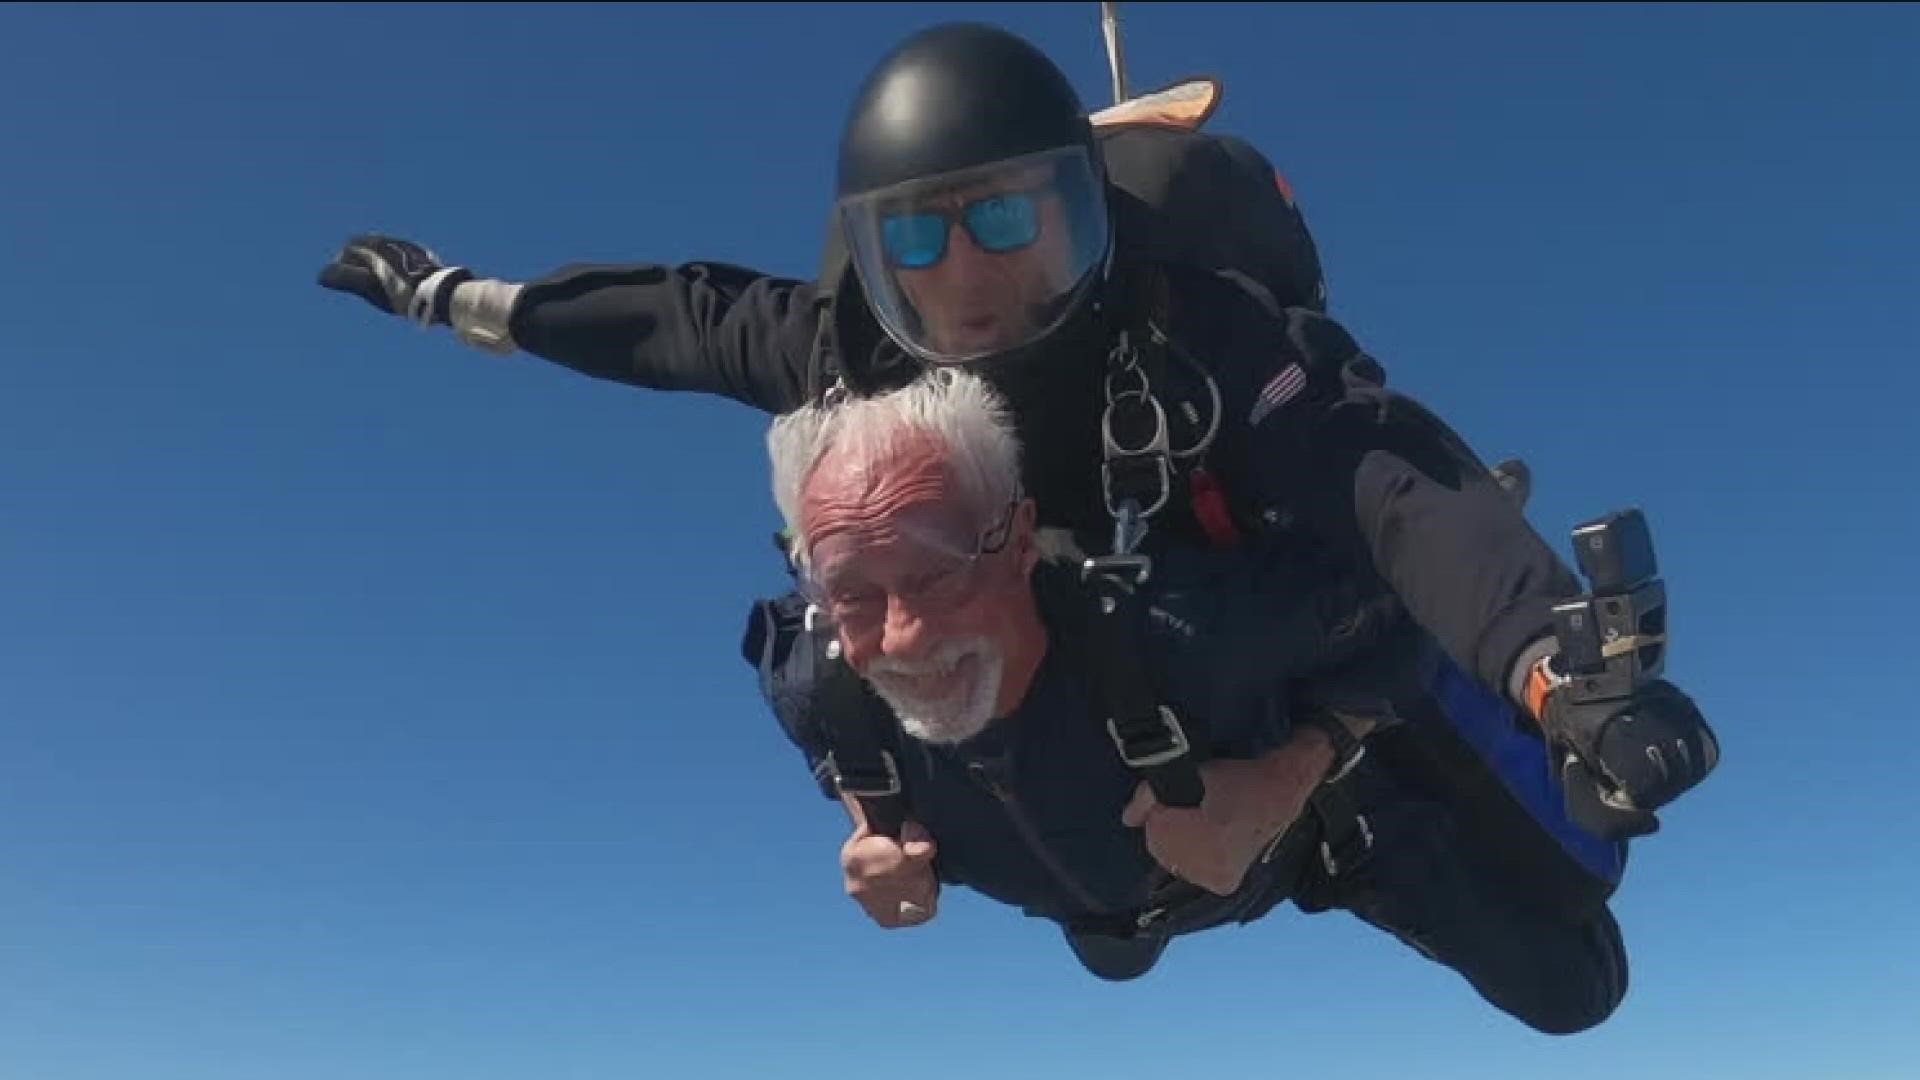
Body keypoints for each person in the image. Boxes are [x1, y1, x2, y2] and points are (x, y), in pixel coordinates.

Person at [317, 20, 1718, 838]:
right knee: (1094, 911)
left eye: (1014, 220)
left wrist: (1551, 663)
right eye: (918, 238)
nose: (972, 281)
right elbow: (671, 321)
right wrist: (458, 299)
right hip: (1082, 657)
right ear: (869, 257)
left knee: (1557, 978)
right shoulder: (842, 348)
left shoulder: (1193, 330)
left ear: (1089, 216)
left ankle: (1380, 744)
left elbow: (1388, 476)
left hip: (1257, 618)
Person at [744, 363, 1628, 1033]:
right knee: (1113, 956)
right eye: (853, 590)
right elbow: (817, 703)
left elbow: (1403, 606)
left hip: (1298, 834)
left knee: (1573, 994)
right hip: (1108, 900)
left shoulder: (1189, 632)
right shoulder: (820, 678)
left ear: (1017, 540)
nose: (901, 636)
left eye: (937, 573)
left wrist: (1293, 770)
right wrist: (870, 821)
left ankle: (1408, 769)